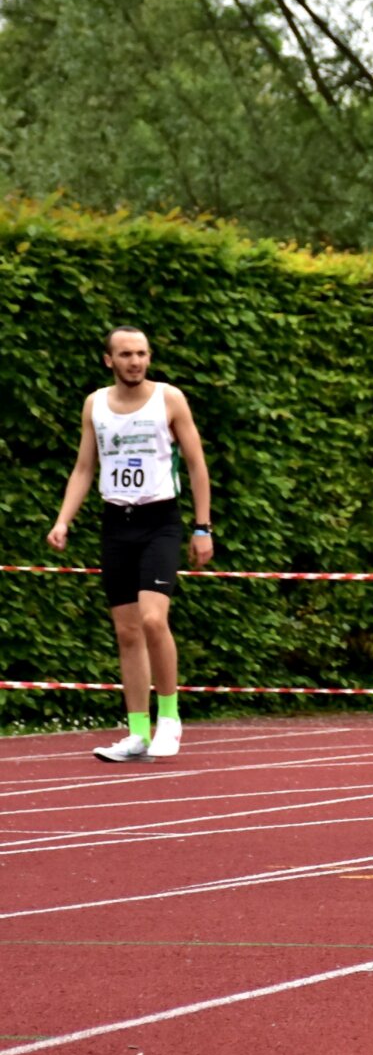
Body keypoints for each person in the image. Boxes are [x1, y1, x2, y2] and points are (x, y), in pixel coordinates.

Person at [45, 327, 214, 763]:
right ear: (109, 360)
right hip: (115, 523)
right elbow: (85, 467)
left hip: (160, 521)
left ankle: (170, 718)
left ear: (149, 357)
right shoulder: (95, 404)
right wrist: (63, 521)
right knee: (126, 631)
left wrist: (203, 527)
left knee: (154, 619)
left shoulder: (169, 399)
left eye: (141, 353)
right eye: (125, 354)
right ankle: (137, 731)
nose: (135, 361)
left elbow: (196, 464)